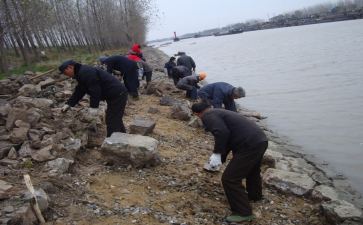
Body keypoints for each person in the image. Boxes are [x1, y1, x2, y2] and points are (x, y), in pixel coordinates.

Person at [191, 100, 268, 223]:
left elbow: (221, 132)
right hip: (260, 140)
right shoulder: (219, 111)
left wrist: (216, 154)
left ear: (197, 114)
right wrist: (220, 158)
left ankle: (243, 212)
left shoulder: (207, 115)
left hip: (248, 144)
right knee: (252, 171)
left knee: (230, 179)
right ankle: (255, 196)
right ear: (210, 106)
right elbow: (228, 137)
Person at [58, 59, 128, 137]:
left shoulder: (85, 72)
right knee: (115, 118)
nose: (66, 75)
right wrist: (69, 104)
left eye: (65, 72)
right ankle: (123, 138)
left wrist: (94, 107)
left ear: (70, 67)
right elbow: (80, 91)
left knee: (111, 120)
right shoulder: (81, 72)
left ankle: (113, 143)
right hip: (115, 94)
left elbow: (95, 89)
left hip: (117, 94)